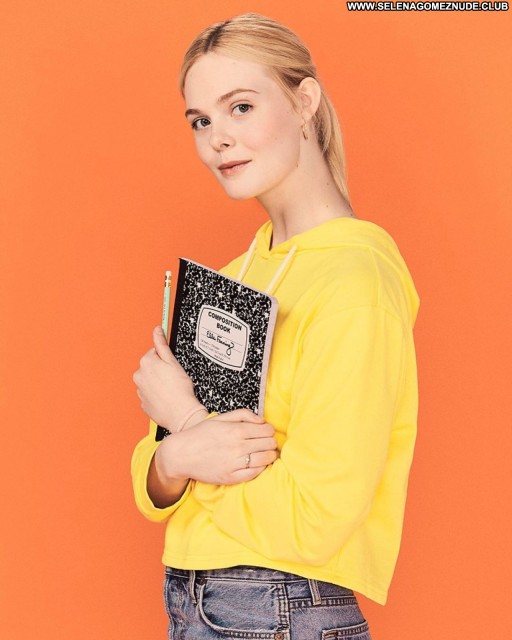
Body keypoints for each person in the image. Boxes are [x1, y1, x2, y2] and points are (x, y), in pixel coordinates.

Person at [132, 13, 419, 640]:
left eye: (240, 107)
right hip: (195, 597)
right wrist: (178, 453)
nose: (218, 140)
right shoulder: (235, 276)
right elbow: (154, 479)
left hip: (279, 604)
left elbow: (316, 519)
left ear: (304, 101)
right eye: (201, 121)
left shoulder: (355, 280)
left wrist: (187, 427)